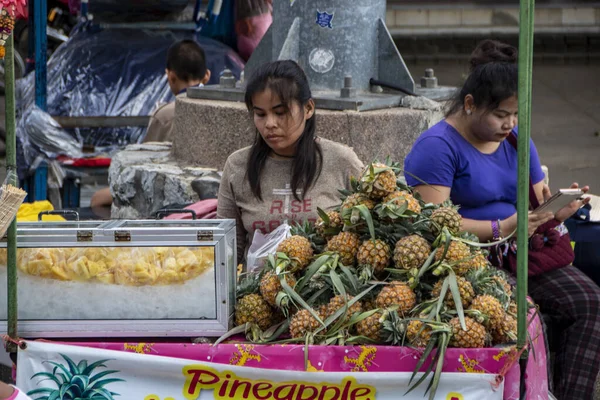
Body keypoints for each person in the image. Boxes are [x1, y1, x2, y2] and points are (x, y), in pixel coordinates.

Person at [403, 39, 600, 400]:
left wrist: (558, 211)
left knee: (589, 302)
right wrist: (501, 228)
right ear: (469, 104)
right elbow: (430, 223)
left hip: (522, 251)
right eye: (500, 115)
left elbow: (538, 204)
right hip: (466, 262)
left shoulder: (516, 140)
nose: (509, 124)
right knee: (517, 317)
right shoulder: (437, 147)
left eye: (515, 115)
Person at [217, 60, 364, 265]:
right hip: (255, 292)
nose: (270, 123)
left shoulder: (342, 162)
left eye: (280, 112)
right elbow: (228, 252)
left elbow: (369, 236)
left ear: (308, 108)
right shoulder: (237, 166)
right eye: (260, 114)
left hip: (328, 293)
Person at [90, 39, 211, 209]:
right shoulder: (219, 109)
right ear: (207, 76)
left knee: (97, 199)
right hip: (208, 192)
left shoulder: (166, 115)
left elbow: (144, 167)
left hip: (170, 192)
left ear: (171, 76)